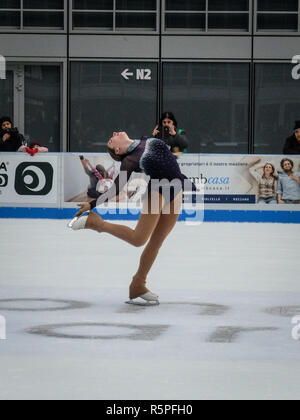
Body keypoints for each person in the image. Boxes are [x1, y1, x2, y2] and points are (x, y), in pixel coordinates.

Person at [69, 132, 196, 304]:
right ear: (118, 149)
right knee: (139, 239)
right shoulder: (129, 161)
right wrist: (91, 205)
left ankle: (138, 284)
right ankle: (96, 223)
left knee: (156, 242)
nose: (113, 134)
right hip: (158, 190)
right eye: (110, 138)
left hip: (176, 189)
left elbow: (169, 155)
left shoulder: (145, 138)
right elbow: (115, 189)